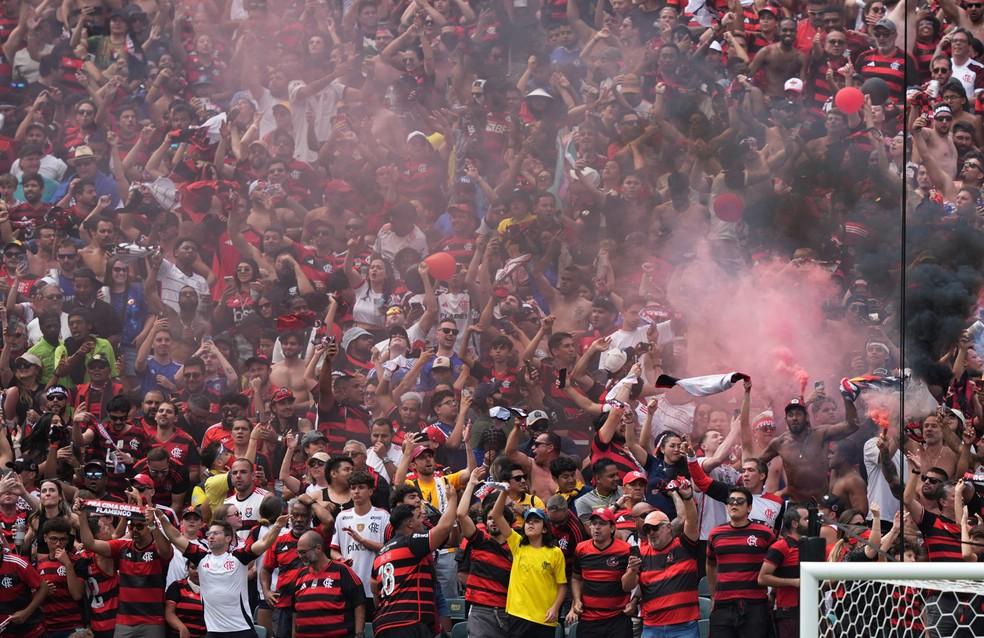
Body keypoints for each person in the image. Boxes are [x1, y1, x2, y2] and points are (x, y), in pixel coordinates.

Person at [152, 507, 287, 635]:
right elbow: (176, 537)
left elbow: (264, 542)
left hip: (242, 629)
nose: (211, 536)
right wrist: (162, 518)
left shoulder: (239, 557)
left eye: (216, 533)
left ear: (228, 538)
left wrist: (277, 526)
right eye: (209, 533)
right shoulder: (201, 558)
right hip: (214, 631)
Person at [371, 484, 458, 638]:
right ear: (410, 523)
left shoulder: (380, 554)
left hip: (382, 624)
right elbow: (444, 528)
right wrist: (452, 500)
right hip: (409, 623)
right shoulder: (411, 542)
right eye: (419, 518)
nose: (423, 522)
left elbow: (374, 588)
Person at [489, 489, 567, 638]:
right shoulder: (518, 544)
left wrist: (555, 608)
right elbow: (496, 515)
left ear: (544, 528)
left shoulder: (555, 552)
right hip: (518, 615)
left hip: (544, 618)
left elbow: (562, 586)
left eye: (536, 521)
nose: (530, 524)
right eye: (528, 521)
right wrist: (505, 492)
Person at [630, 480, 700, 638]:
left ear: (668, 527)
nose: (651, 532)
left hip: (684, 627)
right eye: (647, 529)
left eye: (655, 527)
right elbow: (627, 586)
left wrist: (688, 498)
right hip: (651, 627)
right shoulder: (640, 553)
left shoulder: (684, 546)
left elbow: (691, 522)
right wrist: (632, 571)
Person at [705, 486, 775, 638]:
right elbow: (710, 564)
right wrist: (713, 596)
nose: (734, 504)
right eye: (730, 501)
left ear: (749, 508)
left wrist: (772, 593)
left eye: (739, 501)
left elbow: (776, 564)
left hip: (755, 604)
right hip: (723, 604)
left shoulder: (765, 533)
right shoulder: (715, 534)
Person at [455, 467, 513, 638]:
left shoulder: (518, 547)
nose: (493, 521)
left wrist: (504, 492)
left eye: (498, 518)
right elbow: (461, 514)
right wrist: (471, 485)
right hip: (481, 612)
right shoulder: (480, 541)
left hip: (510, 610)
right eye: (489, 518)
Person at [566, 507, 638, 637]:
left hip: (617, 618)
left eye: (602, 523)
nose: (597, 527)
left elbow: (628, 586)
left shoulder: (625, 549)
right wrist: (576, 600)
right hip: (589, 619)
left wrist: (633, 570)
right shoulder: (581, 549)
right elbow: (576, 578)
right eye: (594, 523)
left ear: (612, 528)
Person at [292, 530, 367, 638]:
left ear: (318, 548)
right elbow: (295, 611)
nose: (300, 556)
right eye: (299, 552)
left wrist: (359, 634)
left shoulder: (341, 570)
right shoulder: (300, 575)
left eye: (303, 552)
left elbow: (359, 602)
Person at [759, 503, 809, 638]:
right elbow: (762, 578)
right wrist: (794, 582)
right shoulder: (781, 546)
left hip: (811, 609)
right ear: (794, 523)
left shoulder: (811, 545)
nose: (811, 522)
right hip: (789, 611)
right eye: (806, 519)